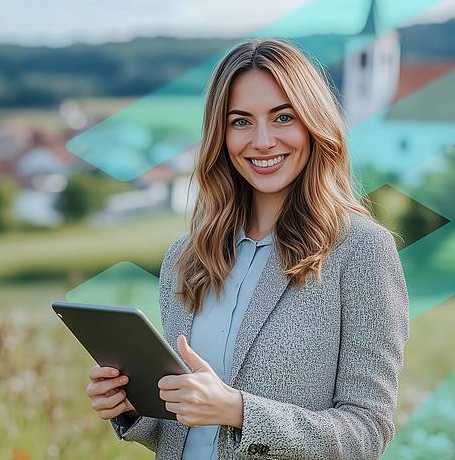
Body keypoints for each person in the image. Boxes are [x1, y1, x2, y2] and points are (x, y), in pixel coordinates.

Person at [85, 37, 410, 460]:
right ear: (221, 135)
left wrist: (240, 411)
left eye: (282, 117)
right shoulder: (186, 259)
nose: (261, 141)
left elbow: (367, 432)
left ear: (313, 124)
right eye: (241, 122)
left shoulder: (362, 250)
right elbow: (186, 430)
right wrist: (132, 409)